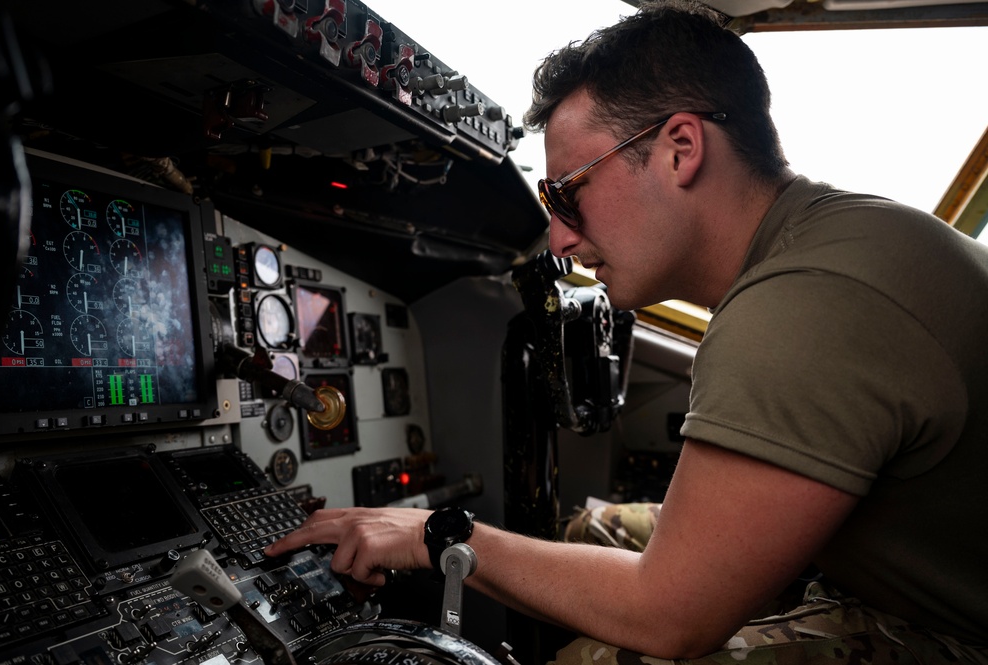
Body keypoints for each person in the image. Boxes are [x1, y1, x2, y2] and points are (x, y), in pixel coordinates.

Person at [266, 1, 988, 662]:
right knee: (584, 532)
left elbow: (670, 616)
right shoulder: (828, 236)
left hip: (951, 627)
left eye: (568, 194)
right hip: (893, 561)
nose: (556, 239)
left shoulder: (801, 306)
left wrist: (435, 535)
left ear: (680, 148)